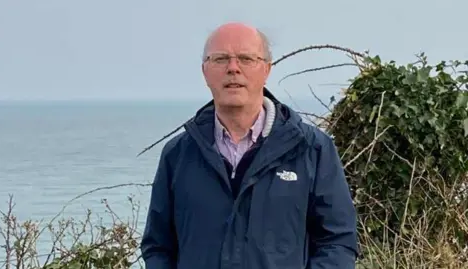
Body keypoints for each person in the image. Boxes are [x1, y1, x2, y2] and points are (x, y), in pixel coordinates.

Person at [140, 22, 358, 269]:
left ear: (266, 69)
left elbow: (337, 243)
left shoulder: (313, 149)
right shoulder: (178, 155)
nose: (233, 68)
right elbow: (158, 247)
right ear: (205, 71)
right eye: (221, 59)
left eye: (245, 58)